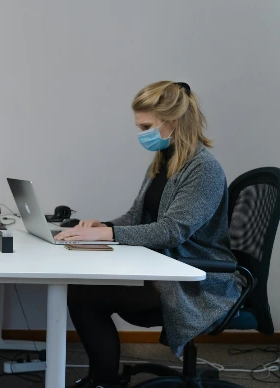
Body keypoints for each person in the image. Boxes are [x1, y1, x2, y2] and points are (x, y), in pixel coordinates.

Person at [54, 81, 242, 388]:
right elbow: (136, 217)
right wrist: (97, 228)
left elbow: (172, 232)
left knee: (85, 295)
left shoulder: (203, 168)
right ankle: (102, 380)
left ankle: (103, 382)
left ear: (174, 122)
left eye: (146, 126)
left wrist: (109, 234)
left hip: (200, 277)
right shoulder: (164, 160)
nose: (142, 134)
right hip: (168, 266)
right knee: (86, 289)